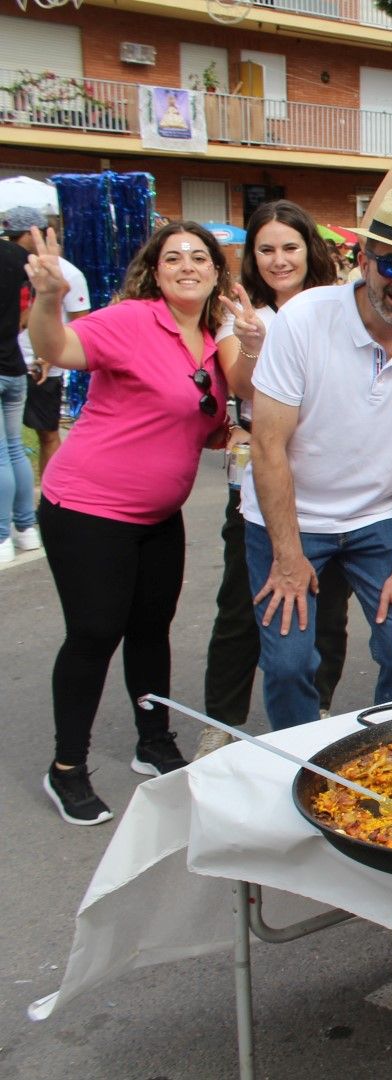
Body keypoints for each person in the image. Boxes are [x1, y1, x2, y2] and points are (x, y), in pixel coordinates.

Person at [25, 221, 232, 824]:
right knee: (94, 635)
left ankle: (154, 739)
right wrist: (46, 299)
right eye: (174, 258)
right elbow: (55, 348)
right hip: (88, 509)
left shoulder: (217, 341)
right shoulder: (132, 320)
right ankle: (67, 768)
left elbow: (204, 419)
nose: (188, 265)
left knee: (150, 629)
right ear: (156, 269)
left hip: (158, 517)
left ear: (217, 272)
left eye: (200, 257)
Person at [243, 188, 392, 730]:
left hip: (378, 518)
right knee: (290, 661)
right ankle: (298, 768)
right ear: (364, 260)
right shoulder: (303, 318)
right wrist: (288, 554)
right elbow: (267, 445)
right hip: (291, 514)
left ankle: (388, 759)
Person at [201, 199, 349, 754]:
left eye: (290, 246)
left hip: (332, 490)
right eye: (266, 249)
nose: (279, 259)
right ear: (252, 256)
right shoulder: (240, 312)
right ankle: (222, 725)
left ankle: (318, 714)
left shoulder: (336, 308)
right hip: (258, 491)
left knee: (326, 611)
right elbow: (241, 386)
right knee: (244, 607)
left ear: (309, 249)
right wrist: (256, 342)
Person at [8, 207, 85, 486]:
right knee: (11, 442)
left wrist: (50, 358)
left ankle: (50, 493)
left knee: (46, 433)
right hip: (10, 362)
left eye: (23, 236)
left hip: (41, 367)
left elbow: (80, 324)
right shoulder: (17, 269)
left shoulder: (70, 275)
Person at [0, 208, 38, 562]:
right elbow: (28, 317)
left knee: (2, 452)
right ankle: (25, 529)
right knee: (13, 448)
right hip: (14, 362)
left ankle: (2, 538)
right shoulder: (26, 262)